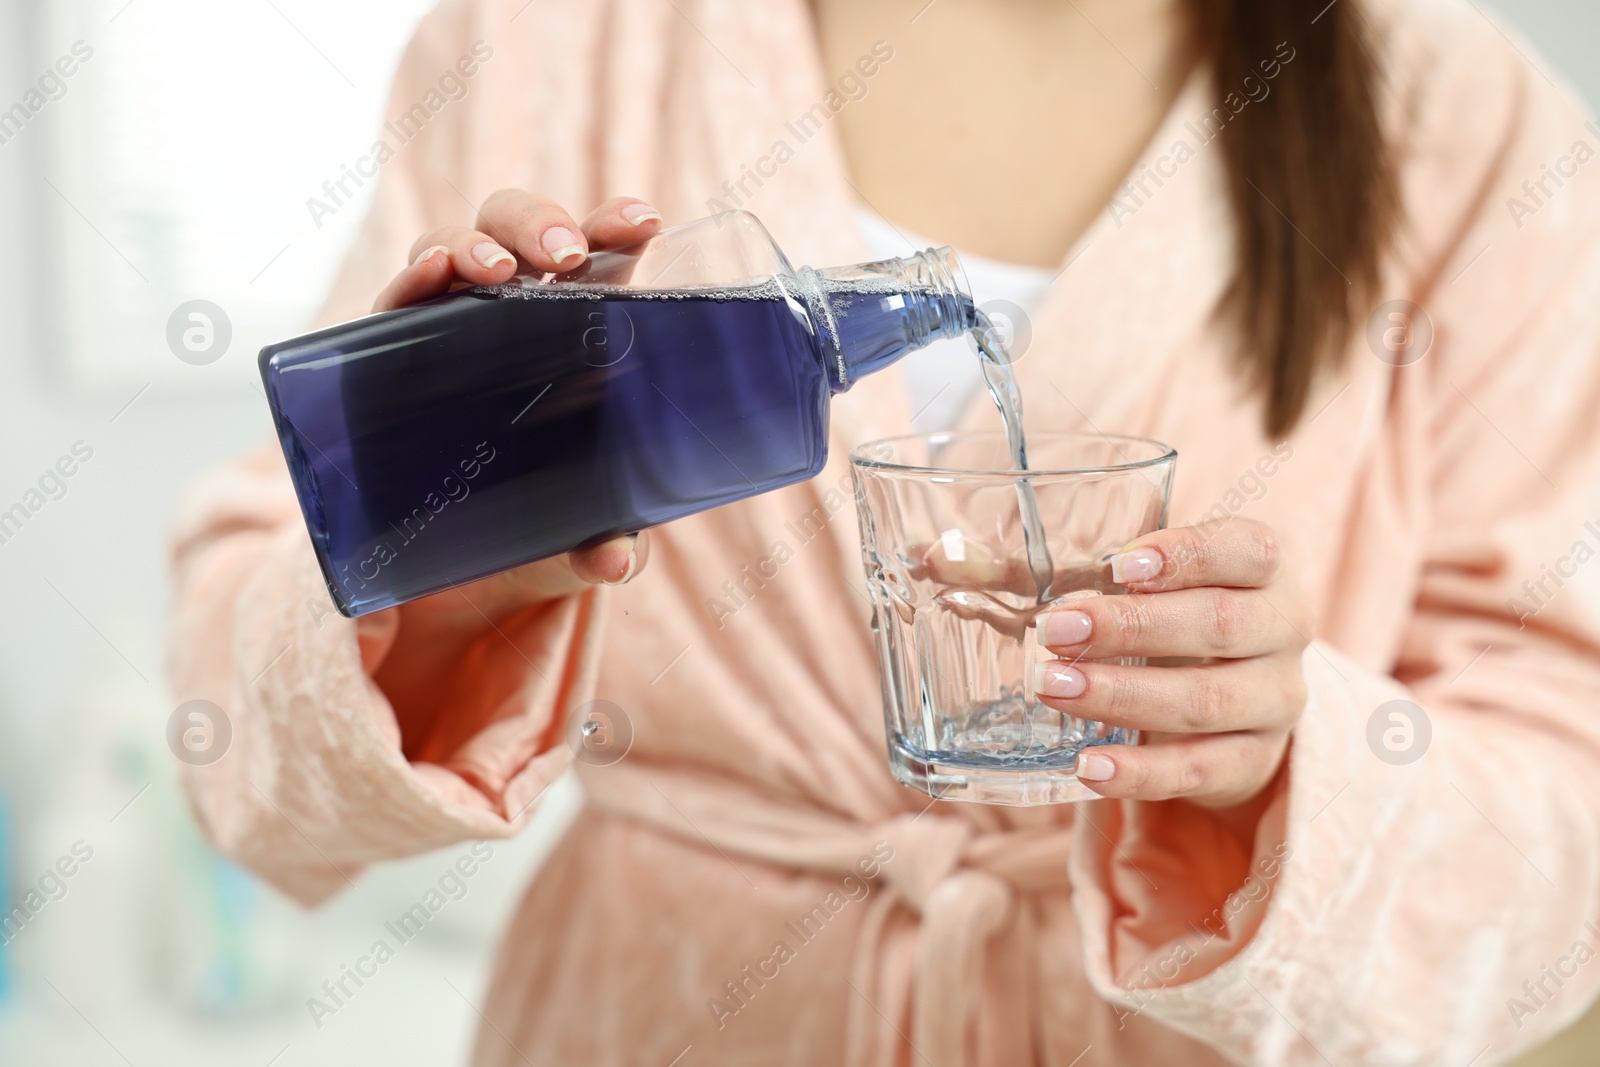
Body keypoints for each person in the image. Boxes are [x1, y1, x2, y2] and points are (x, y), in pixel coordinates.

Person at [167, 0, 1600, 1063]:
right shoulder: (557, 38)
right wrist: (453, 538)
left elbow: (1569, 787)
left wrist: (1287, 774)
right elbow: (233, 736)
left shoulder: (1461, 122)